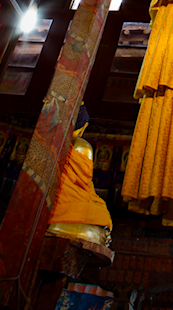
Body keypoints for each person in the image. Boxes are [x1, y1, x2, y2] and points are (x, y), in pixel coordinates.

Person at [47, 106, 112, 247]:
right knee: (98, 211)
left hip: (51, 201)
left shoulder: (44, 143)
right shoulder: (82, 146)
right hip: (69, 200)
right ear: (83, 128)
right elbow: (83, 178)